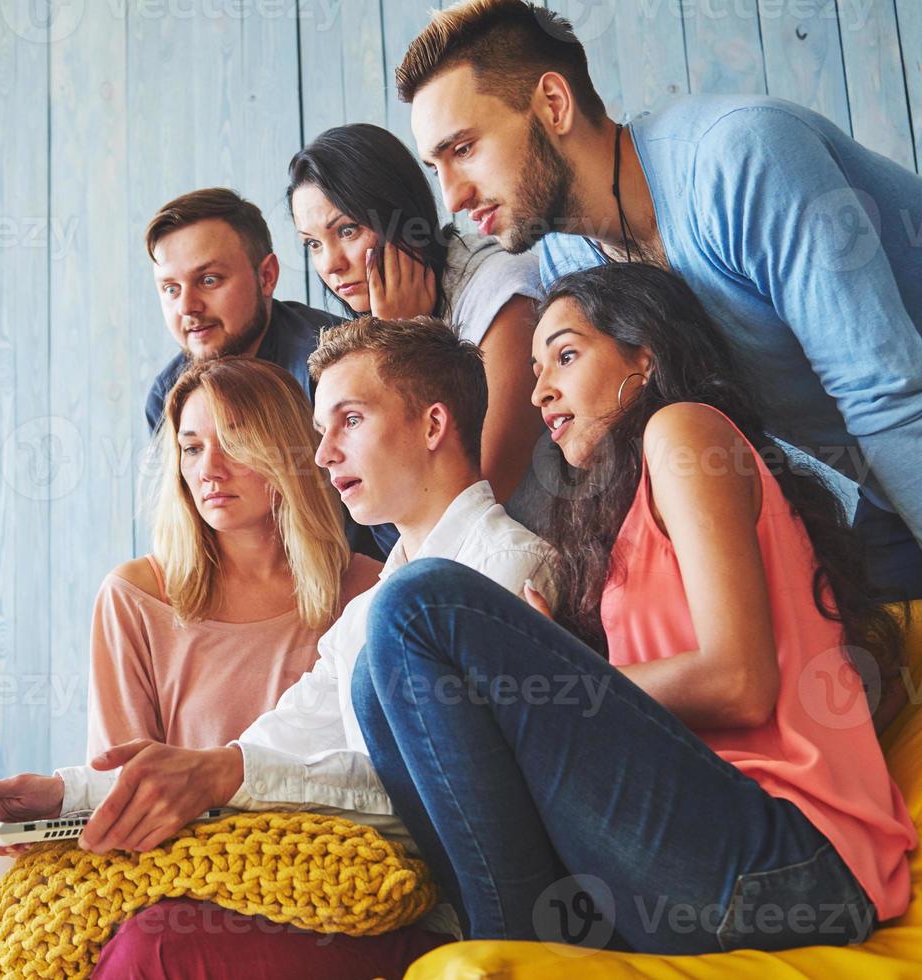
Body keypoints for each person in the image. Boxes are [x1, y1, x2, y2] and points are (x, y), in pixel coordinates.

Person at [395, 0, 922, 727]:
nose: (451, 196)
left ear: (551, 102)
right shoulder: (566, 257)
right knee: (896, 713)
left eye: (464, 149)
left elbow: (886, 394)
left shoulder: (742, 156)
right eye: (435, 165)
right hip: (900, 481)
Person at [353, 262, 918, 955]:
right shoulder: (610, 524)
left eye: (564, 354)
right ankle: (513, 945)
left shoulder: (684, 434)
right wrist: (556, 676)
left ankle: (513, 944)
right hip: (689, 861)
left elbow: (738, 684)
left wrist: (544, 686)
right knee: (373, 677)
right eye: (534, 369)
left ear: (643, 354)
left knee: (419, 606)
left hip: (788, 865)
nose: (539, 392)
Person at [66, 316, 559, 975]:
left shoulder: (508, 573)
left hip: (437, 903)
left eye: (348, 422)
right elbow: (270, 744)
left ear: (433, 425)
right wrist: (60, 796)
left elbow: (439, 795)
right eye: (322, 432)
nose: (323, 455)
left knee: (158, 944)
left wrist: (229, 775)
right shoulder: (371, 604)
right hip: (349, 883)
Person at [0, 357, 381, 910]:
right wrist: (61, 804)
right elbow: (121, 786)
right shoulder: (134, 596)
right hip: (169, 851)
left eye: (234, 441)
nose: (210, 468)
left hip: (305, 857)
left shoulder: (370, 589)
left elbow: (373, 777)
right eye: (192, 447)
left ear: (290, 451)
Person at [288, 123, 548, 538]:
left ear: (400, 216)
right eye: (313, 244)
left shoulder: (502, 293)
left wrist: (402, 339)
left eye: (347, 231)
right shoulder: (367, 326)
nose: (331, 264)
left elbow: (474, 497)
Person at [143, 186, 387, 560]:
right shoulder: (167, 395)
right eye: (171, 289)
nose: (188, 307)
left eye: (209, 280)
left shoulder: (337, 366)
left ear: (267, 276)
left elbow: (390, 531)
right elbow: (188, 532)